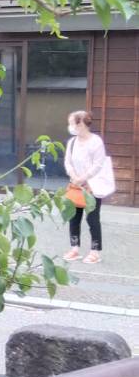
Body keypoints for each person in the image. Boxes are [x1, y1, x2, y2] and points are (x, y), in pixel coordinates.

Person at [64, 110, 114, 264]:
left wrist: (83, 179)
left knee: (92, 219)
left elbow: (98, 165)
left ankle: (95, 251)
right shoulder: (72, 142)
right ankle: (74, 248)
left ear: (80, 124)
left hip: (92, 186)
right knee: (73, 217)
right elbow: (67, 161)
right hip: (75, 185)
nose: (70, 126)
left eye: (72, 123)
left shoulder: (96, 141)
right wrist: (73, 176)